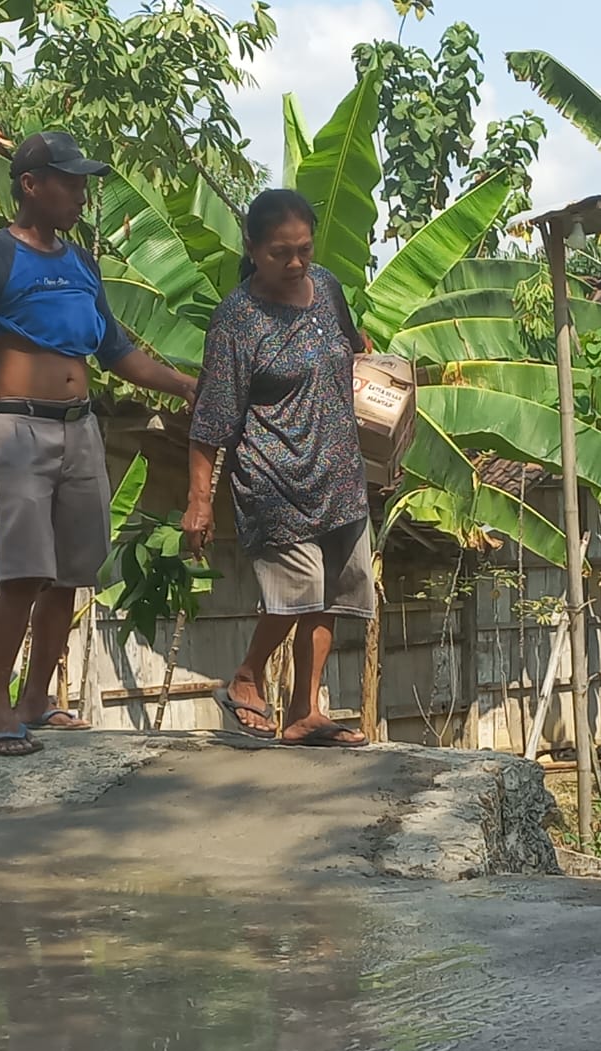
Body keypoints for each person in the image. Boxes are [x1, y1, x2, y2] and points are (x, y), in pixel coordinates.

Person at [0, 131, 196, 757]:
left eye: (84, 182)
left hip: (81, 429)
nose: (81, 194)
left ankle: (37, 700)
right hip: (18, 428)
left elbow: (115, 350)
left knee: (68, 577)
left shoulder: (82, 263)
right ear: (31, 185)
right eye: (70, 181)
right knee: (24, 573)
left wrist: (185, 383)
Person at [182, 189, 375, 748]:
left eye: (304, 251)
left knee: (334, 595)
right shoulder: (236, 320)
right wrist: (198, 501)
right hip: (273, 479)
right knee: (298, 590)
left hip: (338, 473)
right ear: (252, 248)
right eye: (280, 253)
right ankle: (247, 673)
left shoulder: (330, 289)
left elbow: (350, 347)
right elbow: (212, 418)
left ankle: (304, 711)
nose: (295, 264)